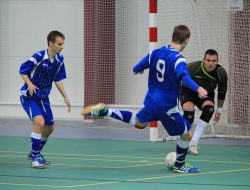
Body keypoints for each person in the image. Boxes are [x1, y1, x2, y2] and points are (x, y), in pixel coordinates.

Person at [81, 25, 208, 173]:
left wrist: (137, 70)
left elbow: (138, 65)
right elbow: (184, 76)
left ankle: (107, 111)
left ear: (173, 36)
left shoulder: (157, 52)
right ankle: (179, 165)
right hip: (166, 106)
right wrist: (198, 88)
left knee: (139, 123)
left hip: (151, 100)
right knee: (187, 133)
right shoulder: (178, 58)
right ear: (186, 40)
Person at [19, 30, 71, 169]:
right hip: (29, 96)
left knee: (50, 128)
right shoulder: (39, 56)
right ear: (51, 43)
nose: (62, 46)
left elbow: (58, 79)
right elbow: (23, 70)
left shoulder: (60, 60)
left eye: (63, 44)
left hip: (43, 98)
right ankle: (35, 158)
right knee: (40, 123)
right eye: (59, 44)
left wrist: (65, 97)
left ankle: (34, 152)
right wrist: (29, 84)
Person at [180, 49, 228, 155]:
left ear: (217, 61)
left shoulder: (221, 73)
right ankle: (183, 142)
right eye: (208, 60)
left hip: (206, 94)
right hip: (189, 91)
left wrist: (219, 110)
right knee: (189, 113)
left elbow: (222, 92)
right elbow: (178, 77)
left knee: (209, 110)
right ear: (204, 60)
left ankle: (193, 144)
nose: (211, 63)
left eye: (214, 61)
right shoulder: (192, 67)